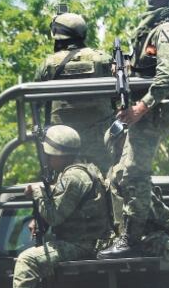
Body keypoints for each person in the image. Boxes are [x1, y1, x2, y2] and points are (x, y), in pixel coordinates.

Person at [99, 0, 169, 259]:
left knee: (132, 174)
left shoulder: (168, 29)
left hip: (153, 113)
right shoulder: (162, 25)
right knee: (119, 174)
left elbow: (167, 76)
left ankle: (131, 237)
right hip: (148, 112)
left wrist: (141, 107)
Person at [1, 125, 111, 288]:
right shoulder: (82, 171)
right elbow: (64, 198)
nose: (48, 159)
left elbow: (54, 216)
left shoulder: (73, 177)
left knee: (27, 260)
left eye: (50, 154)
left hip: (81, 245)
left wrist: (38, 193)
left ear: (60, 155)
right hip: (86, 241)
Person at [35, 12, 114, 174]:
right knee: (106, 183)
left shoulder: (49, 64)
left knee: (62, 185)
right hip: (100, 140)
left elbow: (35, 102)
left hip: (60, 145)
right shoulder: (103, 59)